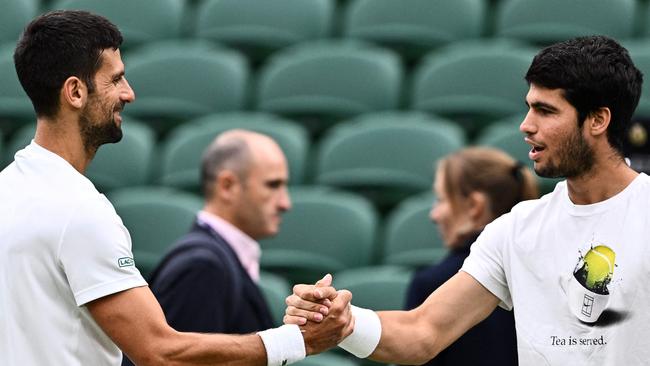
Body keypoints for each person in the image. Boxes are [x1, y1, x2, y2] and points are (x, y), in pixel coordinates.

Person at [0, 10, 353, 366]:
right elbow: (160, 352)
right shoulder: (79, 209)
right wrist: (298, 341)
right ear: (75, 91)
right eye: (116, 80)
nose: (129, 94)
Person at [286, 35, 650, 365]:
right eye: (529, 107)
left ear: (598, 120)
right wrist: (344, 323)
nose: (526, 125)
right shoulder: (515, 229)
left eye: (546, 110)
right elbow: (422, 332)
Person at [122, 130, 291, 365]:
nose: (285, 203)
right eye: (273, 185)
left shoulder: (212, 259)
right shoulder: (202, 267)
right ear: (227, 186)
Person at [405, 147, 539, 365]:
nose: (434, 214)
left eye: (441, 200)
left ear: (475, 206)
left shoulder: (431, 284)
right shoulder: (543, 270)